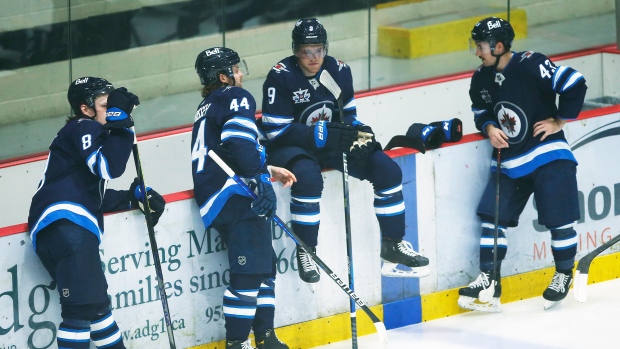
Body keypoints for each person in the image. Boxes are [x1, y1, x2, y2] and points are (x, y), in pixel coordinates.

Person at [259, 17, 430, 285]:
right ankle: (306, 250)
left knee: (386, 169)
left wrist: (359, 132)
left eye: (319, 50)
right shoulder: (281, 76)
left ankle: (393, 244)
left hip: (327, 143)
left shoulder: (337, 70)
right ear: (296, 50)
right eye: (306, 51)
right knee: (308, 177)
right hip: (288, 146)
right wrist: (323, 133)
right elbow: (275, 130)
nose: (314, 57)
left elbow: (347, 114)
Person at [457, 17, 587, 313]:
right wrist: (489, 127)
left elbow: (574, 83)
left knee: (559, 219)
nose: (477, 52)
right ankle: (490, 279)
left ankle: (563, 273)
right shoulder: (481, 78)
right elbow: (481, 112)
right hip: (509, 162)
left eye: (481, 46)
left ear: (498, 46)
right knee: (492, 217)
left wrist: (560, 120)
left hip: (548, 154)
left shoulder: (531, 64)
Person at [28, 77, 166, 348]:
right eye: (106, 105)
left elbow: (93, 195)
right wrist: (123, 124)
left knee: (97, 309)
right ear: (85, 109)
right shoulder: (83, 127)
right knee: (79, 314)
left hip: (62, 229)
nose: (111, 110)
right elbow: (109, 167)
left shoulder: (82, 137)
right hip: (68, 230)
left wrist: (131, 196)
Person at [191, 47, 294, 349]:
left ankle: (265, 337)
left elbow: (230, 151)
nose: (241, 74)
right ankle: (237, 343)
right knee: (249, 273)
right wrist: (262, 181)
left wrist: (267, 168)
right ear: (223, 76)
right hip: (235, 196)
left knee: (263, 266)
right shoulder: (235, 96)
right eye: (236, 69)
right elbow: (241, 147)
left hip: (219, 197)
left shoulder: (208, 105)